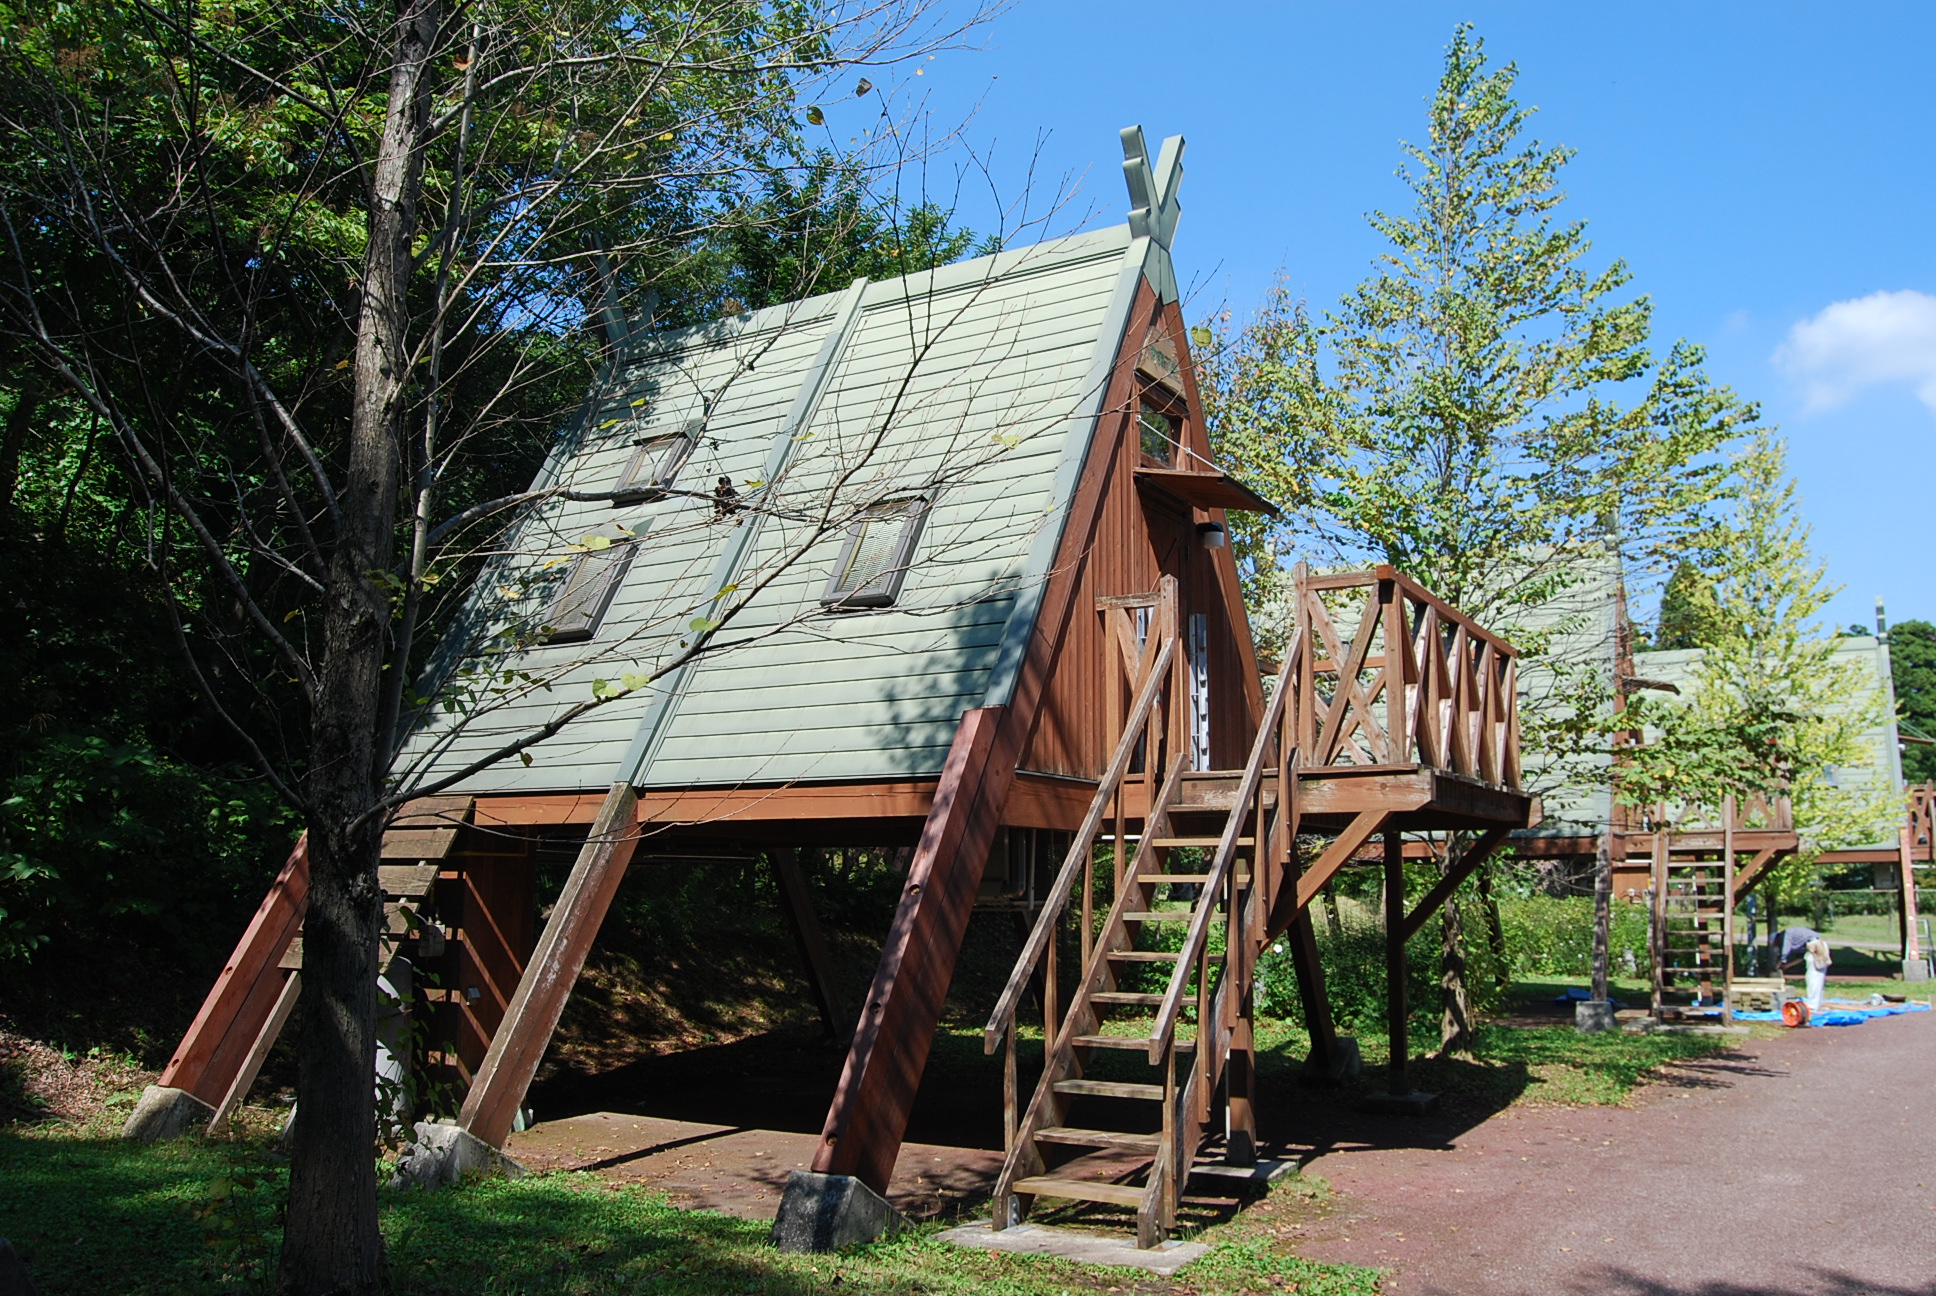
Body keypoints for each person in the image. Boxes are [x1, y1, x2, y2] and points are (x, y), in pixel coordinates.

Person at [1804, 936, 1831, 1011]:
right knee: (1816, 979)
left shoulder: (1788, 939)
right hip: (1817, 944)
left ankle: (1813, 1005)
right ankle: (1816, 1003)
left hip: (1815, 945)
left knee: (1814, 979)